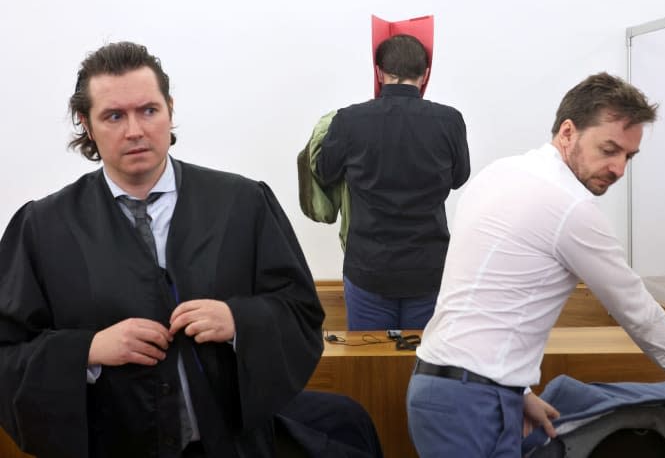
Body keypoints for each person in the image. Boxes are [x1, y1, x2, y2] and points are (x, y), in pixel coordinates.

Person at [0, 41, 381, 458]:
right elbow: (8, 355)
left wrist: (240, 320)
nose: (135, 130)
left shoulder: (242, 204)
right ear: (86, 124)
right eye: (113, 116)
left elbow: (301, 312)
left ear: (170, 109)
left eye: (148, 110)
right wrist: (88, 351)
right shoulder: (44, 228)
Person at [406, 72, 665, 457]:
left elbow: (485, 298)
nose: (620, 168)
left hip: (440, 387)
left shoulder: (500, 173)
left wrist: (518, 392)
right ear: (568, 132)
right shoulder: (570, 207)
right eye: (609, 150)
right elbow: (638, 312)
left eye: (628, 156)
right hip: (471, 401)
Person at [314, 33, 470, 331]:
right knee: (422, 362)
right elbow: (459, 178)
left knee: (369, 366)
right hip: (429, 268)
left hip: (368, 267)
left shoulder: (349, 120)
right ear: (425, 74)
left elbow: (325, 172)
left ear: (379, 73)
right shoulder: (449, 120)